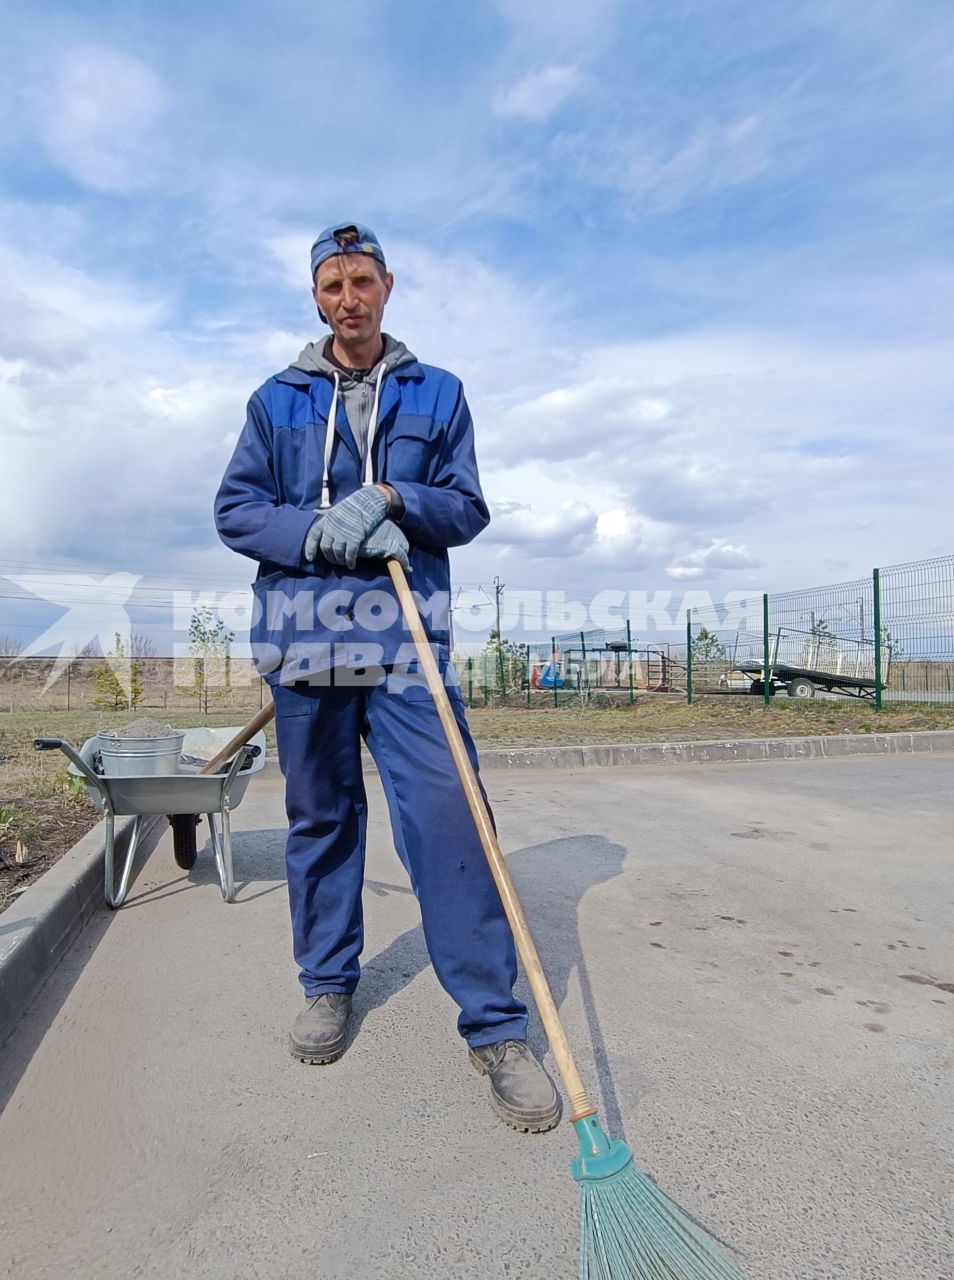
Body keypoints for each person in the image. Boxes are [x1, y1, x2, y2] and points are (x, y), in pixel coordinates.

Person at [213, 222, 560, 1133]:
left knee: (449, 812)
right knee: (322, 819)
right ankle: (328, 984)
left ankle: (496, 1026)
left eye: (362, 281)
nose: (348, 298)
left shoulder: (437, 393)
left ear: (388, 286)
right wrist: (311, 532)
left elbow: (468, 504)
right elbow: (237, 509)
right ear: (315, 296)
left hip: (405, 639)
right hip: (304, 640)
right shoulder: (275, 401)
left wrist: (399, 500)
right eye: (331, 285)